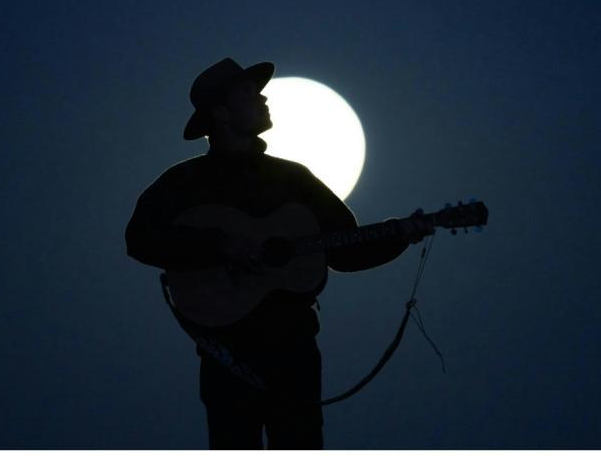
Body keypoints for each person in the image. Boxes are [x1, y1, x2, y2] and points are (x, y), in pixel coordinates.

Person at [125, 58, 430, 449]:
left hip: (294, 349)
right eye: (248, 94)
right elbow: (139, 239)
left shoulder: (293, 178)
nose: (263, 98)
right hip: (226, 354)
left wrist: (401, 234)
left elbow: (345, 249)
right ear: (221, 112)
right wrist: (216, 244)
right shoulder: (183, 184)